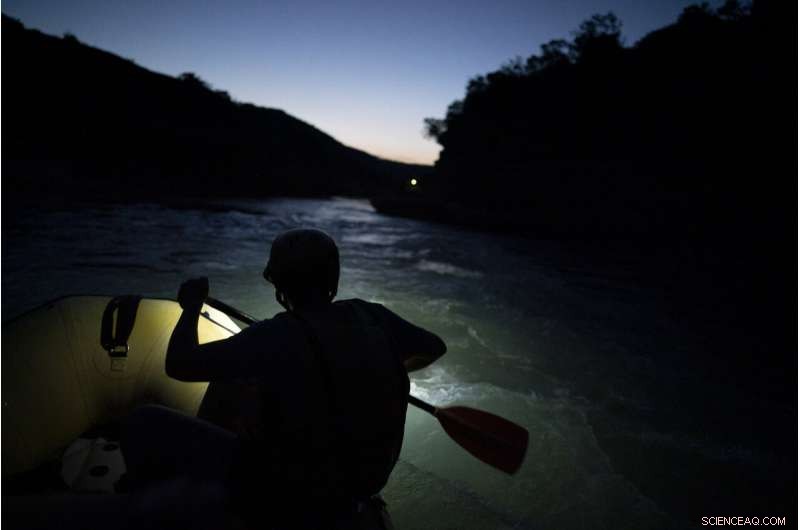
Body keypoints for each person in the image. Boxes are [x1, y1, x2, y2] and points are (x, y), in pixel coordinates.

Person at [120, 228, 446, 529]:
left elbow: (180, 364)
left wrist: (191, 306)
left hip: (289, 493)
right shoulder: (372, 315)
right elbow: (433, 347)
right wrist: (368, 368)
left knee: (141, 421)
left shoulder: (274, 335)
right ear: (332, 277)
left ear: (277, 282)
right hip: (357, 488)